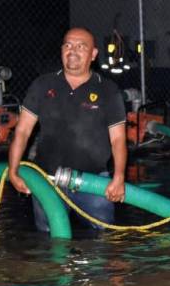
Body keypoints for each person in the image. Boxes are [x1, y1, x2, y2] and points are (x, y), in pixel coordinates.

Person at [8, 27, 127, 232]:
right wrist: (13, 170)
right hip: (48, 179)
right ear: (62, 50)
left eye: (81, 47)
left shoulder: (107, 89)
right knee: (49, 239)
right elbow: (22, 131)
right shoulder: (43, 84)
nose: (73, 51)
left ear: (93, 54)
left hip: (94, 181)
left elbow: (118, 140)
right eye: (68, 45)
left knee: (105, 240)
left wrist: (119, 178)